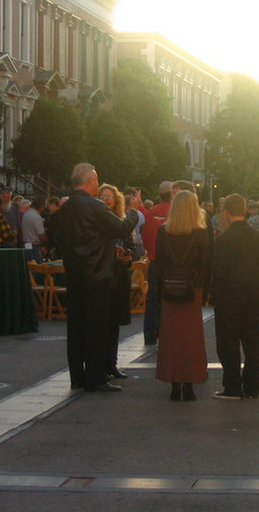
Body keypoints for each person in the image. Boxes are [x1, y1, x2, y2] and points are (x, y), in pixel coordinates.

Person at [55, 163, 141, 392]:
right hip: (97, 275)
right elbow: (122, 229)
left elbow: (58, 238)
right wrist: (134, 210)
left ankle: (78, 376)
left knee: (76, 328)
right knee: (96, 327)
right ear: (91, 180)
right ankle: (95, 377)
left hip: (75, 274)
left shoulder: (66, 207)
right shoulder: (94, 206)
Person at [211, 194, 259, 400]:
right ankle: (253, 385)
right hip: (251, 293)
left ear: (226, 212)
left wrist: (215, 297)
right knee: (252, 341)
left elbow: (218, 272)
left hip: (229, 294)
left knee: (228, 342)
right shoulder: (258, 238)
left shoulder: (224, 240)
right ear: (245, 210)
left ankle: (232, 385)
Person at [155, 190, 211, 401]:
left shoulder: (163, 232)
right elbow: (206, 265)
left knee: (171, 338)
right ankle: (189, 383)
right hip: (192, 288)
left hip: (170, 288)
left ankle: (173, 383)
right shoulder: (200, 233)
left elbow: (159, 264)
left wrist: (162, 288)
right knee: (191, 338)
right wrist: (203, 290)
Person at [98, 183, 135, 379]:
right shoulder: (98, 221)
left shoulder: (121, 222)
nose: (107, 199)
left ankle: (111, 364)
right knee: (102, 324)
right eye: (103, 196)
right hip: (104, 278)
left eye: (110, 196)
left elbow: (131, 248)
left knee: (114, 325)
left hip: (119, 278)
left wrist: (127, 257)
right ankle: (101, 365)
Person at [141, 181, 172, 345]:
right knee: (170, 298)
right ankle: (164, 330)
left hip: (154, 260)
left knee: (152, 298)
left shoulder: (151, 212)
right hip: (171, 263)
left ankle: (149, 332)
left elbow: (145, 237)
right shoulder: (175, 212)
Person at [20, 196, 46, 263]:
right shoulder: (36, 217)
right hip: (34, 247)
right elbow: (41, 235)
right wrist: (45, 245)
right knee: (37, 268)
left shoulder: (26, 214)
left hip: (26, 245)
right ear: (42, 206)